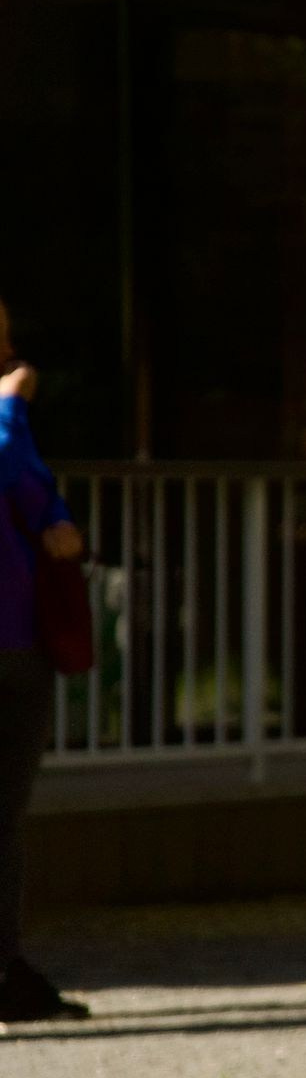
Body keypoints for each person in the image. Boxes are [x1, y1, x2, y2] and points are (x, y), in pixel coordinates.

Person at [0, 299, 89, 1025]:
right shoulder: (7, 422)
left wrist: (54, 516)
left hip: (19, 641)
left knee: (5, 815)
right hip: (11, 643)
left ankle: (6, 968)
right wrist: (10, 409)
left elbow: (41, 504)